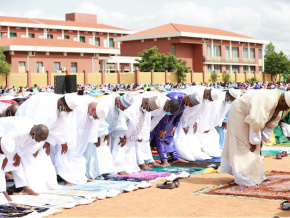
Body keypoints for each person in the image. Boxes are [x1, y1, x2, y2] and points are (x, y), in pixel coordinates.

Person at [220, 90, 290, 186]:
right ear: (283, 101)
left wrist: (260, 140)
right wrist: (254, 141)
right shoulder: (269, 99)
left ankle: (259, 176)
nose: (286, 110)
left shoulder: (277, 104)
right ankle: (244, 179)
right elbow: (256, 121)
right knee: (243, 145)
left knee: (256, 149)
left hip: (250, 117)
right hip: (240, 112)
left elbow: (270, 124)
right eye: (286, 107)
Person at [15, 92, 73, 192]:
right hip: (26, 127)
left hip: (40, 134)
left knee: (44, 157)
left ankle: (49, 184)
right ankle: (31, 187)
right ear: (61, 105)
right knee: (30, 157)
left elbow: (59, 127)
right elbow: (35, 129)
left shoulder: (64, 108)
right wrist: (35, 147)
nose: (67, 112)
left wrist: (52, 142)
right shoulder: (44, 106)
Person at [55, 99, 109, 185]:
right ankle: (67, 179)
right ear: (92, 110)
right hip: (68, 139)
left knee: (79, 156)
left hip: (82, 138)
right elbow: (65, 123)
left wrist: (94, 138)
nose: (95, 118)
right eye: (95, 116)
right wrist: (63, 141)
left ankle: (80, 176)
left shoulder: (94, 107)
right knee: (66, 156)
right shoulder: (78, 106)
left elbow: (94, 125)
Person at [84, 93, 133, 180]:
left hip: (105, 132)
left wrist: (110, 134)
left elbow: (119, 120)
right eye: (123, 108)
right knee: (95, 152)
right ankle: (93, 174)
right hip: (96, 131)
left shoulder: (119, 105)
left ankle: (105, 172)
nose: (123, 110)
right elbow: (99, 119)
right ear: (119, 103)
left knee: (105, 151)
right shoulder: (106, 103)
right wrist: (97, 135)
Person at [0, 117, 49, 200]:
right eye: (37, 139)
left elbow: (30, 144)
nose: (37, 141)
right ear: (33, 133)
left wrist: (19, 154)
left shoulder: (36, 134)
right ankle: (3, 192)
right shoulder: (21, 130)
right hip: (2, 135)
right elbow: (6, 140)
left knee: (16, 164)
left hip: (11, 140)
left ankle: (25, 188)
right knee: (1, 166)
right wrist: (4, 156)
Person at [111, 94, 161, 174]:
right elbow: (122, 118)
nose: (148, 111)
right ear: (146, 103)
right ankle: (118, 168)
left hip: (131, 135)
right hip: (122, 133)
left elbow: (143, 123)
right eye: (149, 109)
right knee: (120, 148)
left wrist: (141, 135)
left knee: (130, 150)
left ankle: (130, 167)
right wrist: (121, 135)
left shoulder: (144, 107)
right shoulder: (133, 104)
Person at [150, 92, 200, 167]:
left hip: (170, 121)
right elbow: (165, 114)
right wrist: (163, 128)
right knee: (161, 138)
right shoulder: (174, 98)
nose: (189, 106)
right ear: (187, 101)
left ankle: (175, 157)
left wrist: (175, 125)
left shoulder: (184, 102)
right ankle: (164, 161)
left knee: (170, 138)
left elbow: (180, 113)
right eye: (190, 105)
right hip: (161, 120)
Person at [137, 92, 180, 170]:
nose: (168, 114)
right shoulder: (158, 103)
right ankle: (141, 163)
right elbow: (146, 118)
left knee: (146, 139)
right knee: (139, 139)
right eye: (170, 112)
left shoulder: (166, 105)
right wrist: (144, 133)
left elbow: (156, 120)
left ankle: (150, 161)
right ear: (167, 106)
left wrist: (148, 133)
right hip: (140, 111)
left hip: (146, 115)